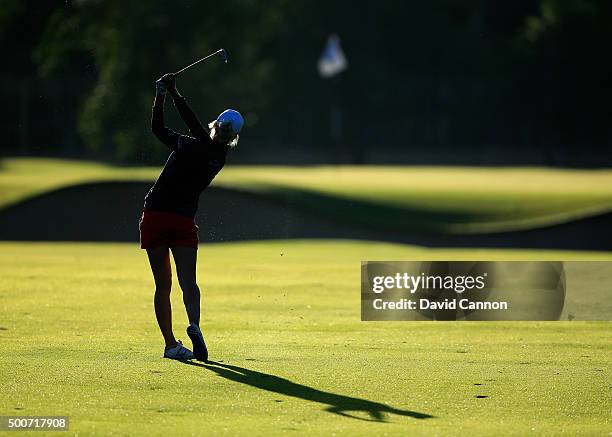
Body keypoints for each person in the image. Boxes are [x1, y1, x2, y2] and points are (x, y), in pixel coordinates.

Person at [140, 73, 244, 361]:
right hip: (183, 221)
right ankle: (195, 324)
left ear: (216, 126)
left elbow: (158, 129)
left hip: (156, 214)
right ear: (233, 137)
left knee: (163, 285)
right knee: (189, 282)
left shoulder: (192, 144)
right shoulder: (218, 157)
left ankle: (171, 344)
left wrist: (165, 93)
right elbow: (188, 128)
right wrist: (170, 93)